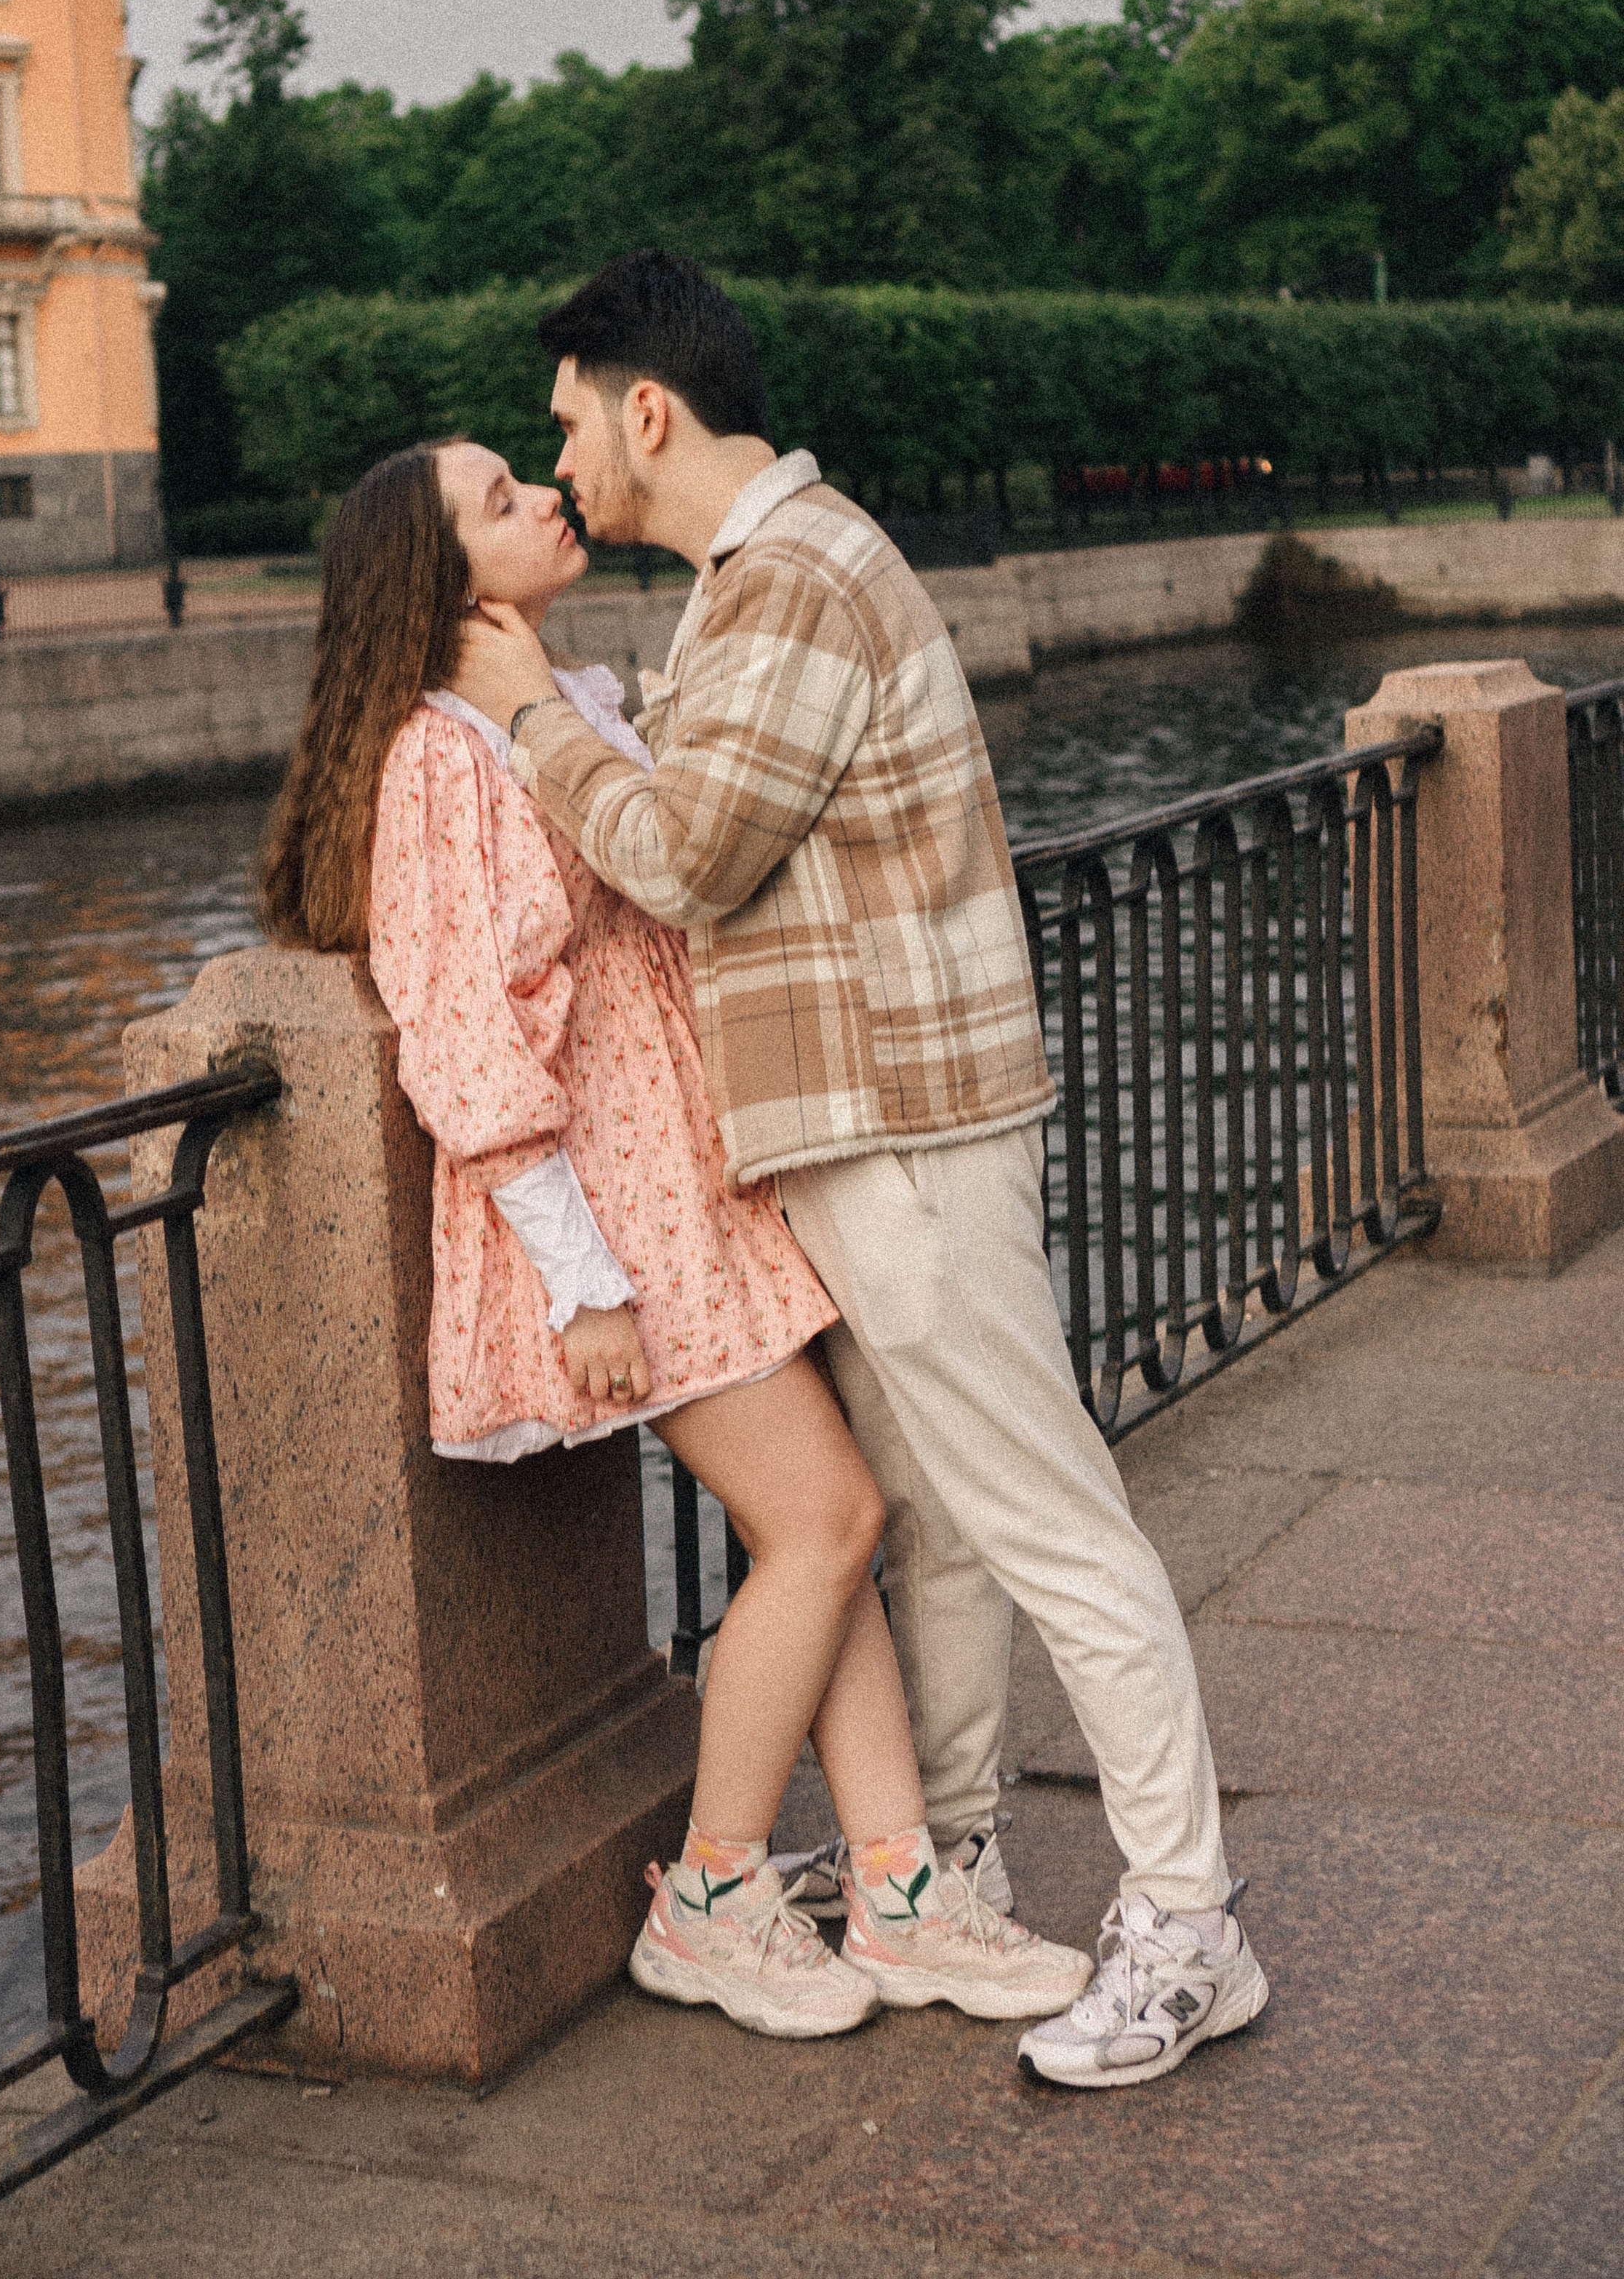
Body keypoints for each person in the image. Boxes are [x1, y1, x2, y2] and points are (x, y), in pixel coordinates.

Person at [449, 250, 1271, 2090]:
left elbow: (684, 854)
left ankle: (1186, 1922)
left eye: (565, 422)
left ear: (643, 409)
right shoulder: (775, 577)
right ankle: (948, 1857)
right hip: (874, 1125)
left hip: (902, 1130)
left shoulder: (794, 583)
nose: (559, 460)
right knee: (958, 1526)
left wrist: (526, 716)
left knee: (1050, 1519)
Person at [256, 437, 1092, 2045]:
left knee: (828, 1528)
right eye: (499, 502)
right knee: (829, 1518)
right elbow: (458, 1039)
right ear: (438, 587)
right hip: (620, 1220)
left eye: (526, 475)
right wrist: (576, 1278)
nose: (542, 501)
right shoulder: (435, 764)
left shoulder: (557, 703)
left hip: (696, 1183)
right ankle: (710, 1896)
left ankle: (900, 1887)